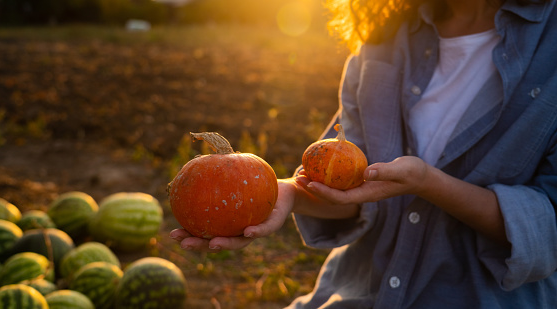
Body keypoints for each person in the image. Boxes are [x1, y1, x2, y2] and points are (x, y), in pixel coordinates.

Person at [170, 0, 557, 307]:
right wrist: (286, 194)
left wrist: (428, 184)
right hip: (356, 293)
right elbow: (349, 189)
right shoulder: (383, 38)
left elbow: (550, 224)